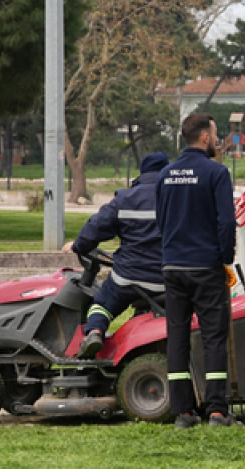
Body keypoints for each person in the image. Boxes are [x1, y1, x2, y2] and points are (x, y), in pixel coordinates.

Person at [156, 113, 237, 429]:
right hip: (205, 266)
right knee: (213, 336)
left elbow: (161, 221)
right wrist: (224, 257)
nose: (217, 139)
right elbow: (226, 221)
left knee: (176, 335)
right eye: (215, 134)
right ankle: (216, 409)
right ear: (205, 137)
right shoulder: (216, 173)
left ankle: (183, 412)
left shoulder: (165, 175)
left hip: (173, 267)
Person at [62, 152, 169, 359]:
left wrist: (78, 245)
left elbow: (95, 228)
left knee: (101, 305)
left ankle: (94, 332)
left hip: (128, 278)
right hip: (167, 279)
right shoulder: (178, 199)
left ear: (142, 173)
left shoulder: (125, 199)